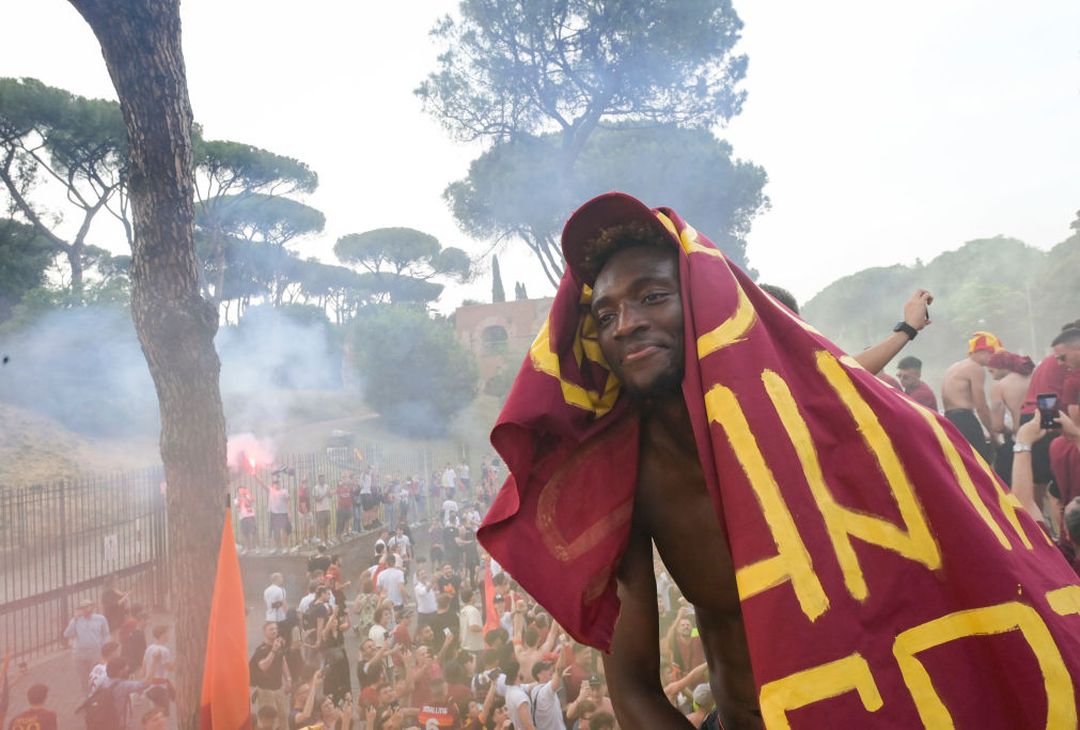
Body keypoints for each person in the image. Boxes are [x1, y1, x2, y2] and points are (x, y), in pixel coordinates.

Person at [477, 192, 1080, 730]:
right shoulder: (624, 477)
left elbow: (989, 580)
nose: (627, 324)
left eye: (652, 297)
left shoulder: (847, 428)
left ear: (705, 307)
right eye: (604, 315)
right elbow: (633, 688)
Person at [941, 331, 1001, 461]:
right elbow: (981, 406)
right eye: (993, 355)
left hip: (949, 420)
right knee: (981, 463)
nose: (995, 359)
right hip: (964, 420)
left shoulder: (954, 366)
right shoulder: (975, 368)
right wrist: (993, 433)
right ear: (983, 352)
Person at [987, 350, 1035, 484]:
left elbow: (997, 425)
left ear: (1002, 367)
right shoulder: (1033, 378)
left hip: (1020, 437)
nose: (992, 376)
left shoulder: (1000, 386)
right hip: (1042, 434)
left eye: (992, 372)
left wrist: (1009, 431)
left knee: (1008, 483)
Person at [249, 622, 292, 727]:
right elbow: (263, 666)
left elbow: (283, 662)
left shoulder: (278, 646)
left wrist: (288, 680)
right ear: (264, 632)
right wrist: (273, 650)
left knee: (283, 718)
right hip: (265, 691)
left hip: (278, 689)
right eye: (271, 629)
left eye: (275, 629)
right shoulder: (261, 650)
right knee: (270, 722)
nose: (274, 631)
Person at [64, 598, 110, 693]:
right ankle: (86, 696)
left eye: (86, 607)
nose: (84, 609)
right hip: (80, 653)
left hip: (95, 652)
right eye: (82, 608)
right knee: (83, 677)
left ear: (92, 607)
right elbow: (67, 634)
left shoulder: (100, 619)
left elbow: (106, 634)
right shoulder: (76, 621)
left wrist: (104, 649)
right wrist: (74, 620)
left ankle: (96, 694)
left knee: (95, 675)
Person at [313, 474, 333, 543]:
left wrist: (330, 493)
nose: (323, 480)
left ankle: (327, 540)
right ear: (319, 480)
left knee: (326, 525)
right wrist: (325, 494)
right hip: (320, 510)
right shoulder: (315, 488)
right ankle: (322, 541)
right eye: (322, 479)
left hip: (327, 508)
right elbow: (317, 499)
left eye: (324, 479)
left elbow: (330, 496)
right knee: (321, 527)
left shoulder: (327, 486)